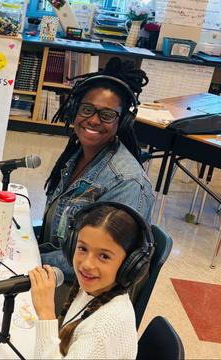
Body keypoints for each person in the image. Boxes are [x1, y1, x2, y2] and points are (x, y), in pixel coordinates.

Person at [39, 57, 154, 282]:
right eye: (87, 109)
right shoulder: (76, 156)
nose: (93, 120)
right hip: (53, 272)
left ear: (122, 122)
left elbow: (98, 264)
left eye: (107, 115)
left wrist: (32, 259)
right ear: (74, 110)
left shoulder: (126, 182)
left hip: (85, 290)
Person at [29, 202, 152, 358]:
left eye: (104, 256)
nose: (87, 264)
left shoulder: (102, 331)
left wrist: (46, 313)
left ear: (130, 265)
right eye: (83, 248)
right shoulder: (92, 290)